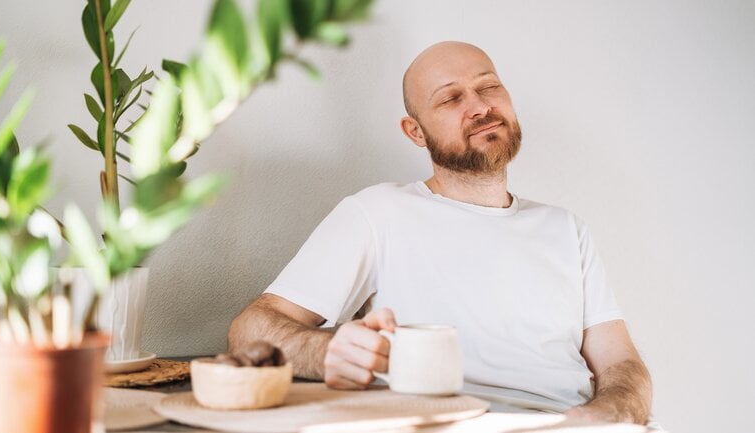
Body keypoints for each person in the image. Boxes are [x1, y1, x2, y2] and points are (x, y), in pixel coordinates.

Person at [228, 41, 653, 425]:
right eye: (451, 98)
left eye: (489, 87)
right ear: (416, 132)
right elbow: (248, 330)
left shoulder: (567, 229)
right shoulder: (377, 213)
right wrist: (324, 352)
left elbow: (620, 363)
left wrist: (605, 416)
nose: (480, 106)